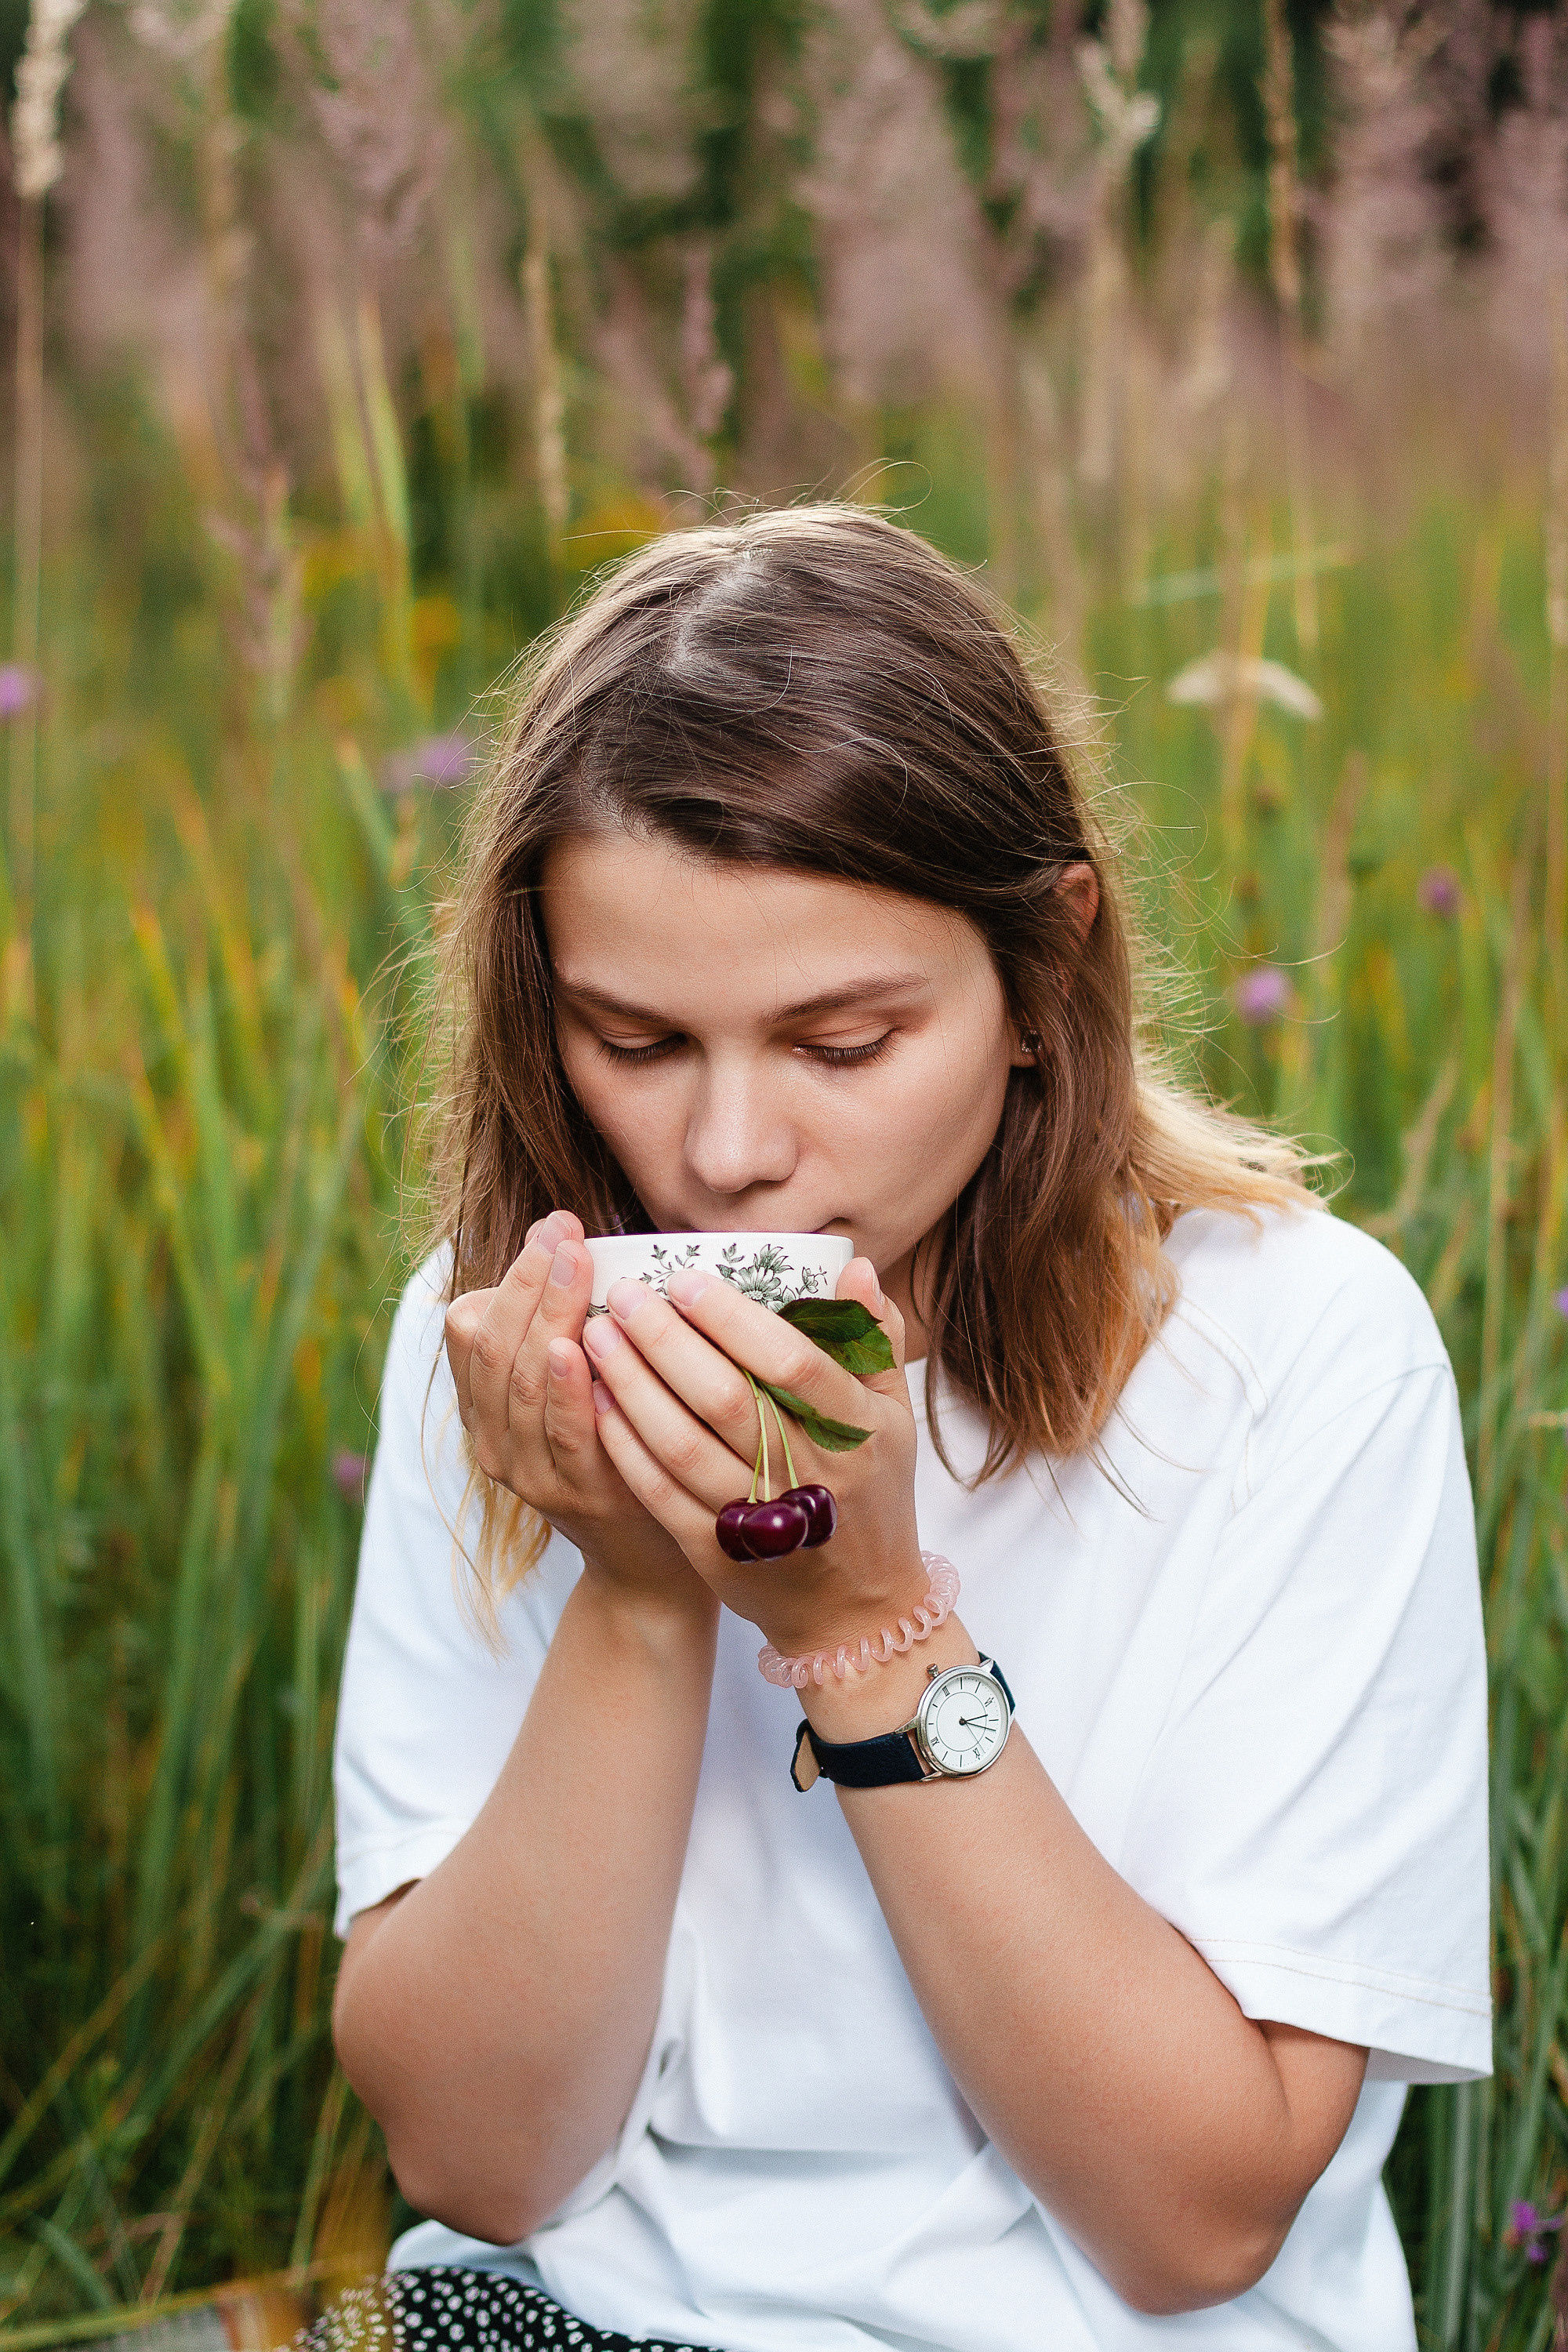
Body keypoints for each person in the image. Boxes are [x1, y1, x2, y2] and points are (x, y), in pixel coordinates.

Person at [326, 506, 1490, 2352]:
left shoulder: (1295, 1353)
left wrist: (863, 1629)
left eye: (842, 1044)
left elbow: (1196, 2221)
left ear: (1042, 978)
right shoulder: (508, 1335)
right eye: (633, 1041)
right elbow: (481, 2162)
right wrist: (634, 1594)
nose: (724, 1155)